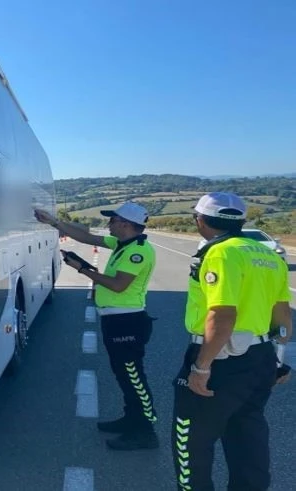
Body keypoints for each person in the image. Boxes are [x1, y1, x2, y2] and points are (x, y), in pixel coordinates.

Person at [172, 192, 292, 491]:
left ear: (200, 220)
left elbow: (222, 314)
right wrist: (277, 360)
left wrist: (201, 368)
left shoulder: (219, 252)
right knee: (247, 438)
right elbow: (283, 317)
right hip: (260, 357)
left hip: (222, 359)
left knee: (192, 443)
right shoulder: (267, 255)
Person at [35, 201, 159, 450]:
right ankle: (131, 419)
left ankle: (145, 431)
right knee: (123, 375)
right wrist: (54, 222)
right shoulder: (123, 244)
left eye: (112, 220)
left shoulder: (139, 251)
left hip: (127, 322)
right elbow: (87, 237)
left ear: (125, 224)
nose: (108, 224)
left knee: (134, 378)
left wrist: (82, 268)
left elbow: (117, 285)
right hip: (116, 320)